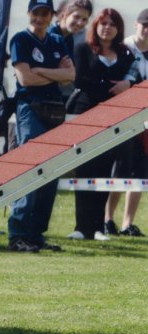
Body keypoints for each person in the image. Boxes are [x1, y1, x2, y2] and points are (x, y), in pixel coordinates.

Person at [7, 0, 75, 252]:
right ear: (29, 14)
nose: (39, 18)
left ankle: (36, 233)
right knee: (30, 166)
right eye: (36, 13)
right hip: (30, 108)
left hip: (54, 107)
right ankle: (18, 233)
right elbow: (25, 78)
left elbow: (70, 75)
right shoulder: (20, 40)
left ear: (51, 16)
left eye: (44, 13)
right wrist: (52, 72)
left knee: (51, 169)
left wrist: (40, 70)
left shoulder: (57, 40)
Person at [66, 8, 140, 241]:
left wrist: (127, 83)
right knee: (86, 168)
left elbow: (135, 78)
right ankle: (81, 226)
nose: (107, 27)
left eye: (112, 24)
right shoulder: (82, 48)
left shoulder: (126, 53)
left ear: (118, 29)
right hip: (86, 113)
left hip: (114, 118)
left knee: (105, 170)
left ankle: (98, 227)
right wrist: (110, 86)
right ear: (96, 26)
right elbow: (80, 79)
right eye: (103, 23)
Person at [104, 8, 148, 237]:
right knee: (119, 170)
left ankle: (127, 223)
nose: (147, 29)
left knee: (140, 172)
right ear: (136, 25)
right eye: (145, 24)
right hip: (123, 118)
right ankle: (108, 219)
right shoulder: (124, 48)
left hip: (145, 121)